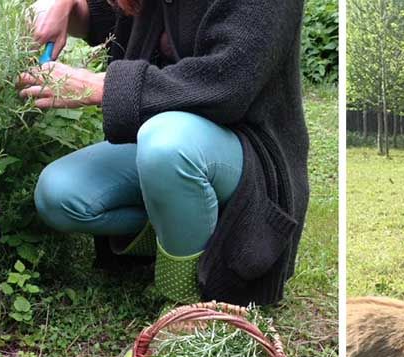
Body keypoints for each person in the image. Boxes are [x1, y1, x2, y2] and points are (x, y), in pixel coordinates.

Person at [20, 0, 308, 305]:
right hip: (171, 145)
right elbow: (110, 19)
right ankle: (183, 227)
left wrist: (99, 86)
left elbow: (226, 88)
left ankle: (190, 301)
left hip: (249, 156)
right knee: (59, 194)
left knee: (165, 144)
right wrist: (65, 7)